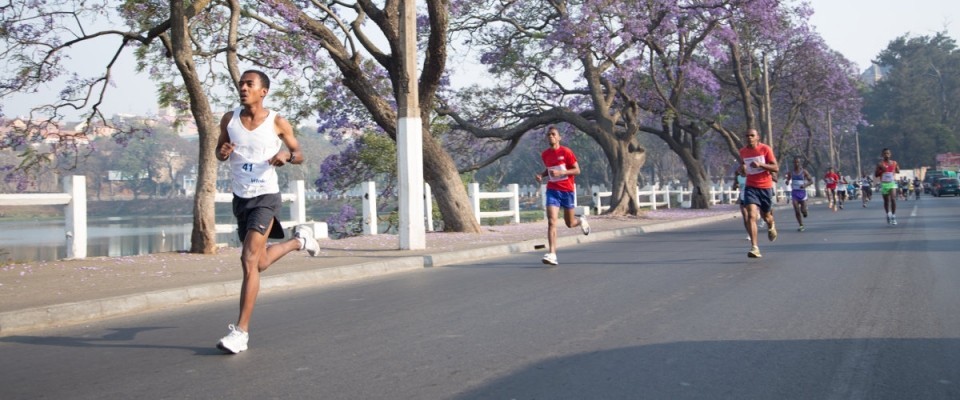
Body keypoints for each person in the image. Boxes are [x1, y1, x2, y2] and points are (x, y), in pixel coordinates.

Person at [214, 70, 320, 354]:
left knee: (248, 260)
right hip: (241, 198)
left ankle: (241, 332)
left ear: (263, 91)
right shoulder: (230, 119)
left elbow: (299, 153)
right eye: (241, 83)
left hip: (266, 198)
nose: (243, 87)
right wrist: (223, 152)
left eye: (250, 84)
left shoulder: (277, 122)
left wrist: (287, 155)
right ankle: (300, 241)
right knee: (259, 263)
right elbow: (219, 152)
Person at [534, 126, 590, 266]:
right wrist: (542, 175)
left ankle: (581, 220)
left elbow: (577, 170)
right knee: (552, 221)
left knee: (570, 223)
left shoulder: (566, 152)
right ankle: (552, 254)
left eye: (553, 134)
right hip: (552, 190)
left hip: (567, 191)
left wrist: (562, 173)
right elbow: (549, 169)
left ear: (559, 137)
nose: (551, 136)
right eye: (549, 135)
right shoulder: (545, 154)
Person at [738, 128, 779, 258]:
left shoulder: (765, 149)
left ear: (757, 137)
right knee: (751, 216)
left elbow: (775, 167)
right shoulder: (743, 151)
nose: (749, 137)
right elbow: (743, 168)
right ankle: (755, 247)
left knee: (766, 216)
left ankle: (771, 225)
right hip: (751, 186)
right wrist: (742, 169)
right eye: (747, 135)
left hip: (765, 186)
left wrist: (761, 165)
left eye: (752, 135)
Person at [784, 157, 812, 231]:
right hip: (794, 192)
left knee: (803, 210)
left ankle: (805, 212)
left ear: (800, 163)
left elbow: (811, 181)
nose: (796, 164)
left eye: (798, 162)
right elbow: (788, 180)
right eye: (795, 162)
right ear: (793, 163)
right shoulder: (791, 172)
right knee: (796, 210)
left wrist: (805, 185)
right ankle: (801, 225)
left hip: (802, 192)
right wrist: (787, 181)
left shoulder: (804, 172)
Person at [875, 148, 900, 225]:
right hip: (884, 184)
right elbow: (876, 175)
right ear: (882, 155)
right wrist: (881, 170)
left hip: (892, 183)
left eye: (888, 153)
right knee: (886, 201)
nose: (886, 155)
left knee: (893, 199)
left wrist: (896, 169)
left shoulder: (894, 163)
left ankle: (893, 216)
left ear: (890, 154)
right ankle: (888, 214)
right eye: (885, 153)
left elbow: (898, 171)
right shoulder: (880, 164)